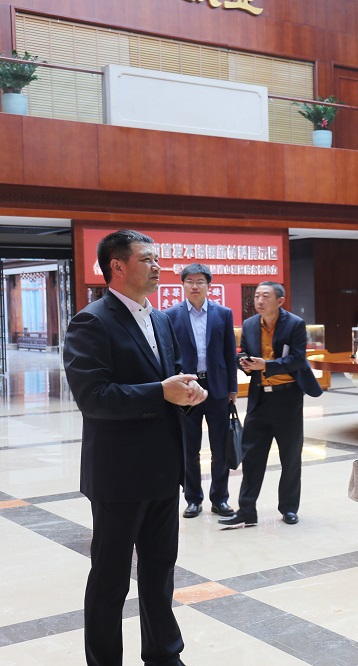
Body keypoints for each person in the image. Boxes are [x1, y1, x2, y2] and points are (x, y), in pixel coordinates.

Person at [63, 229, 207, 666]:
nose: (158, 266)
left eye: (157, 259)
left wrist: (188, 393)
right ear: (118, 266)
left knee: (160, 571)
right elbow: (94, 397)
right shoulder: (92, 321)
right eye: (147, 259)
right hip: (119, 474)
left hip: (163, 468)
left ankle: (163, 654)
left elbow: (170, 378)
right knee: (111, 579)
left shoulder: (160, 319)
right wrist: (160, 392)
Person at [219, 281, 323, 528]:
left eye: (265, 296)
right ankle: (247, 510)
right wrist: (243, 362)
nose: (259, 300)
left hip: (288, 399)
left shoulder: (294, 324)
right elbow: (244, 352)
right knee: (251, 456)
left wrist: (266, 365)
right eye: (257, 296)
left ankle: (289, 508)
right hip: (260, 399)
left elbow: (297, 359)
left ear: (280, 301)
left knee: (290, 457)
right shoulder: (249, 324)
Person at [165, 263, 238, 520]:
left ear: (208, 285)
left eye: (200, 281)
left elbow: (230, 353)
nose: (195, 286)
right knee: (189, 448)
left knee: (220, 448)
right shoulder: (170, 315)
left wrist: (232, 388)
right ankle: (193, 500)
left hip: (217, 388)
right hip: (187, 389)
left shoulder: (223, 314)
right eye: (190, 281)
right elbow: (169, 356)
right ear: (183, 285)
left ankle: (220, 499)